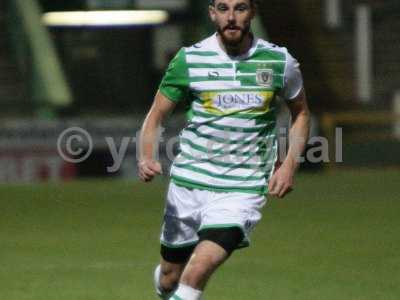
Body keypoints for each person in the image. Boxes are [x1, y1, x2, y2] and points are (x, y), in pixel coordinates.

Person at [138, 0, 310, 299]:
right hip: (189, 184)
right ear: (212, 13)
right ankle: (166, 285)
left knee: (199, 269)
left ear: (253, 12)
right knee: (170, 278)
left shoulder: (279, 61)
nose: (231, 17)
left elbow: (301, 114)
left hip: (242, 188)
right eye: (223, 7)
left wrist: (288, 166)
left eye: (240, 8)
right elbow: (156, 114)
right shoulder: (189, 60)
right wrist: (146, 155)